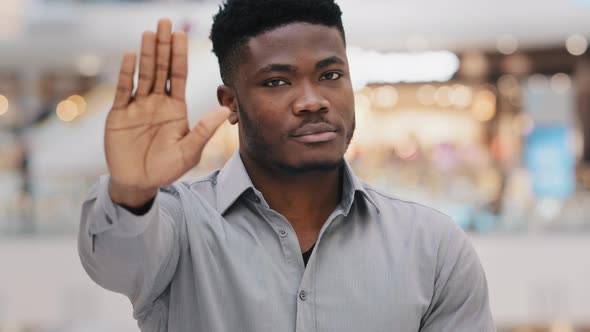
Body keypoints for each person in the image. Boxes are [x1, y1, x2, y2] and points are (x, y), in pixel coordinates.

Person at [78, 0, 496, 331]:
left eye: (331, 75)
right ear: (231, 104)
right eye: (277, 82)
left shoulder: (432, 246)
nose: (312, 100)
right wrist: (130, 192)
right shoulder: (179, 225)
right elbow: (116, 261)